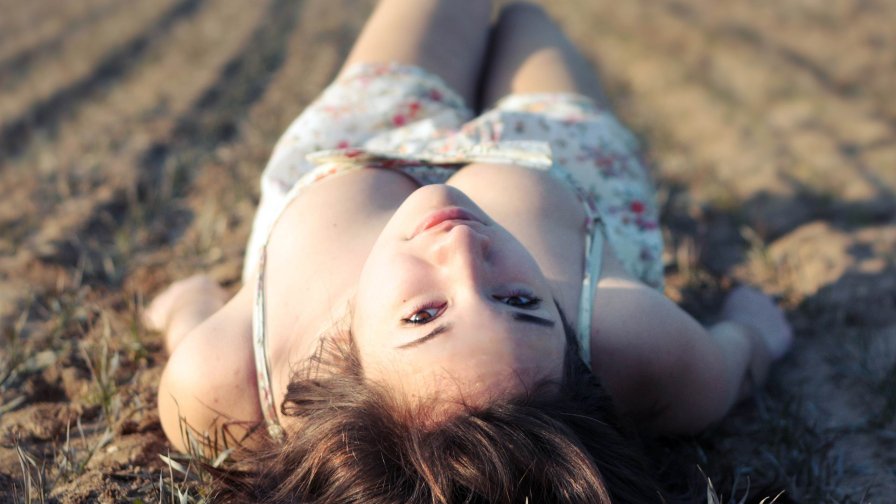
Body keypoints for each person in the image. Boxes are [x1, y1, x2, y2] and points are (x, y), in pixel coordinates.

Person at [145, 1, 793, 501]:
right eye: (519, 300)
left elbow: (190, 326)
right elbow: (736, 358)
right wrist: (756, 330)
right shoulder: (640, 344)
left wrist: (185, 305)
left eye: (424, 315)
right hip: (554, 149)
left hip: (364, 130)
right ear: (575, 349)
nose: (462, 250)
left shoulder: (225, 385)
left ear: (346, 368)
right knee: (527, 18)